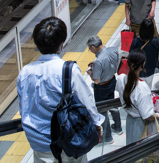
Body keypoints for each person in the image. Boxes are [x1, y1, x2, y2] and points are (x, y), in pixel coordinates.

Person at [17, 18, 103, 163]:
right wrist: (97, 127)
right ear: (61, 44)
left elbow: (24, 107)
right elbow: (87, 103)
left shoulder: (25, 72)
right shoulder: (68, 70)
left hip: (39, 144)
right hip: (68, 142)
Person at [86, 36, 123, 143]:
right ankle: (118, 127)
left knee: (102, 110)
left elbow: (96, 80)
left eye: (90, 49)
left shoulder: (98, 61)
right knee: (113, 104)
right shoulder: (113, 49)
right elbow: (113, 64)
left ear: (93, 47)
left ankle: (107, 137)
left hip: (101, 87)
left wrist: (90, 73)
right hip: (112, 81)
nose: (90, 51)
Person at [115, 50, 157, 144]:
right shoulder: (142, 87)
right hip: (141, 124)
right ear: (143, 64)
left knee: (131, 148)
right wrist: (158, 116)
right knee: (142, 152)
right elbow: (147, 116)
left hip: (130, 120)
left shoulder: (121, 78)